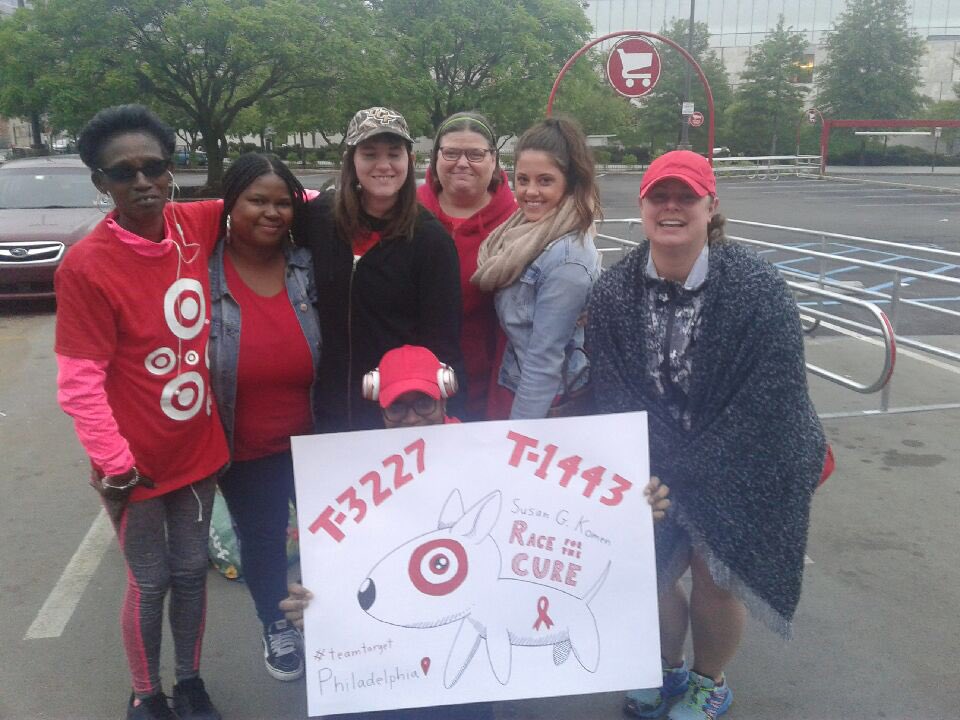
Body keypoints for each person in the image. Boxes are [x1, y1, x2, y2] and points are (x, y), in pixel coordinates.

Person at [279, 345, 673, 720]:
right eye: (396, 407)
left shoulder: (489, 455)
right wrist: (317, 606)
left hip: (465, 673)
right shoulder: (352, 466)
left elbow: (558, 510)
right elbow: (344, 561)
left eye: (423, 403)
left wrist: (632, 514)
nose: (411, 418)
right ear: (380, 408)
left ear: (444, 397)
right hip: (389, 665)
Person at [586, 150, 826, 720]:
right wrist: (644, 466)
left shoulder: (757, 287)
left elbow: (771, 398)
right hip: (654, 457)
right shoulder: (613, 290)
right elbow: (612, 387)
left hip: (745, 457)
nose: (671, 207)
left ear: (711, 206)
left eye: (686, 197)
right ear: (642, 205)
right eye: (659, 196)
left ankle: (708, 680)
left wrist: (694, 468)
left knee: (713, 574)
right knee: (648, 571)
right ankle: (664, 667)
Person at [55, 105, 227, 720]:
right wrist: (116, 465)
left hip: (198, 450)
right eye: (123, 173)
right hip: (134, 468)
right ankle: (146, 694)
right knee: (149, 582)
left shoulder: (194, 223)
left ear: (172, 169)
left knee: (191, 573)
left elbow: (280, 198)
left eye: (155, 166)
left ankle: (190, 682)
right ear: (101, 182)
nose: (144, 182)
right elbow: (79, 383)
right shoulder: (86, 265)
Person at [207, 153, 321, 683]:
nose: (272, 213)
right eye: (257, 200)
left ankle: (340, 624)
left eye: (283, 203)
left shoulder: (307, 265)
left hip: (317, 438)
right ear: (231, 204)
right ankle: (276, 623)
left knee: (330, 539)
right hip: (246, 446)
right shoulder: (201, 271)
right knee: (263, 540)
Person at [305, 106, 465, 432]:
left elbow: (444, 344)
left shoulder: (430, 240)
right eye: (369, 154)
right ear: (351, 160)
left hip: (398, 416)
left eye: (394, 154)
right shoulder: (318, 219)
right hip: (323, 407)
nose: (383, 165)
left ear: (410, 160)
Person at [472, 117, 601, 419]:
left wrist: (521, 434)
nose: (530, 191)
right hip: (517, 380)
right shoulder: (523, 232)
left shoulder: (567, 258)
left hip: (549, 402)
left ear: (570, 183)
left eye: (545, 181)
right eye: (523, 179)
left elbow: (544, 362)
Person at [417, 112, 518, 420]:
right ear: (436, 157)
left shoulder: (518, 222)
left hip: (489, 386)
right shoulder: (407, 212)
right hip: (415, 386)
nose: (462, 163)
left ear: (494, 160)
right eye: (451, 153)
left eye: (475, 154)